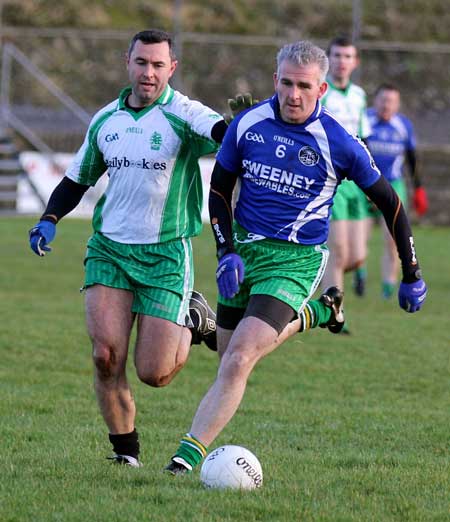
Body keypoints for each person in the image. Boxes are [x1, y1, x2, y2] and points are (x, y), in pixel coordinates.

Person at [164, 40, 427, 475]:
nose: (293, 94)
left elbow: (390, 203)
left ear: (321, 89)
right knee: (227, 358)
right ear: (275, 80)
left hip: (294, 260)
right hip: (244, 256)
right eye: (286, 83)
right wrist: (226, 249)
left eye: (304, 86)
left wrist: (411, 271)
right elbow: (219, 191)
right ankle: (317, 314)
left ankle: (184, 460)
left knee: (240, 358)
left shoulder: (339, 143)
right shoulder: (248, 123)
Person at [28, 29, 248, 468]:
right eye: (142, 63)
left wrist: (240, 124)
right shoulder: (105, 119)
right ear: (127, 62)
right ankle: (125, 453)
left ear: (172, 68)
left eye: (158, 65)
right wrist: (49, 219)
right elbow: (77, 178)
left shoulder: (182, 113)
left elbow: (220, 131)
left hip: (166, 255)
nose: (149, 73)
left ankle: (192, 316)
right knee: (105, 355)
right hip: (109, 249)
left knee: (155, 373)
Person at [320, 35, 372, 309]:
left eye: (347, 56)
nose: (342, 62)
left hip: (356, 180)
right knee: (338, 251)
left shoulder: (359, 95)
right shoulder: (321, 92)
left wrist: (372, 181)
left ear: (355, 62)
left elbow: (364, 138)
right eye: (337, 56)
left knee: (358, 256)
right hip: (332, 179)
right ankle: (336, 313)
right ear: (329, 60)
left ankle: (318, 274)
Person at [366, 83, 428, 298]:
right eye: (383, 100)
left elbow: (412, 159)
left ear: (398, 104)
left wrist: (418, 188)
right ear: (375, 101)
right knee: (360, 238)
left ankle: (387, 286)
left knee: (391, 239)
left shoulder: (403, 125)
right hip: (364, 185)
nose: (386, 105)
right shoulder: (365, 120)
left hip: (394, 185)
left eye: (391, 101)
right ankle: (360, 273)